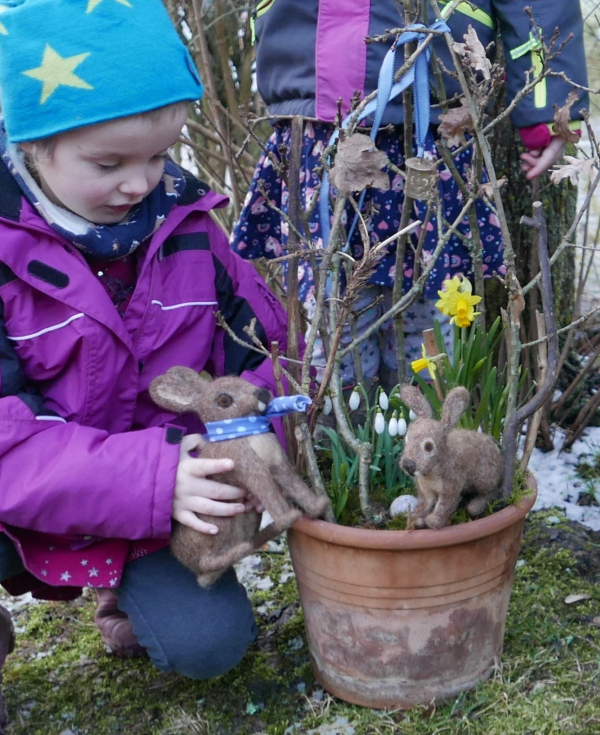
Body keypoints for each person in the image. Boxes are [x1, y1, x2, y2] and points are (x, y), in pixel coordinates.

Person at [0, 0, 292, 725]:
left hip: (148, 503)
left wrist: (247, 440)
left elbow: (263, 356)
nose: (142, 184)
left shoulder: (189, 230)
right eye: (109, 163)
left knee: (210, 643)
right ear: (33, 147)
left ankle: (124, 591)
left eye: (160, 157)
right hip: (30, 503)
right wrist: (156, 478)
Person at [231, 0, 588, 390]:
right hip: (312, 112)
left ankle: (424, 437)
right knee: (336, 314)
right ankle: (338, 437)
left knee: (428, 313)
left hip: (431, 120)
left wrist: (547, 105)